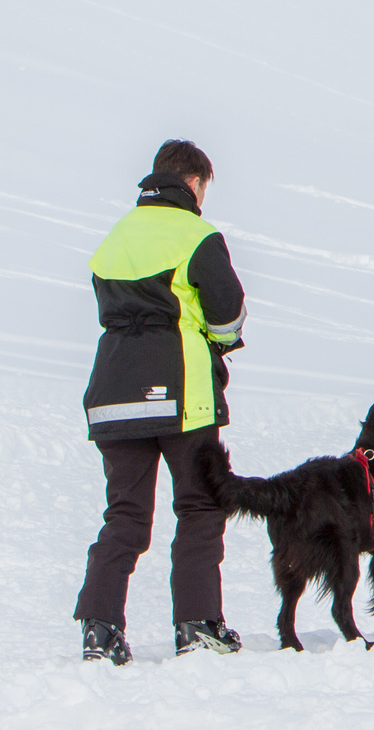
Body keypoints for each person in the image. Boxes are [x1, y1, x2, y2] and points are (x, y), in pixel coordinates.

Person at [75, 140, 247, 664]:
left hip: (112, 396)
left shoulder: (115, 237)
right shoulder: (197, 234)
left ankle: (99, 630)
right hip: (182, 397)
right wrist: (220, 341)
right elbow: (228, 312)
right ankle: (197, 625)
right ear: (195, 183)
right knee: (199, 505)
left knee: (124, 514)